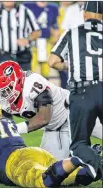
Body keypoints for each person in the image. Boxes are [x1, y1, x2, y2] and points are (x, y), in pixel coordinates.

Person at [0, 98, 96, 187]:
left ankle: (75, 160)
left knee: (42, 181)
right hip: (34, 152)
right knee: (70, 177)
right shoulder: (7, 122)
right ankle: (90, 165)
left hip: (15, 162)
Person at [0, 61, 101, 160]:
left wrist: (12, 129)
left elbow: (44, 118)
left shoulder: (33, 83)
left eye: (7, 90)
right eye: (1, 91)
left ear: (18, 82)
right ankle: (90, 154)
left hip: (76, 111)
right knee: (49, 169)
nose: (4, 95)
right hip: (54, 128)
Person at [48, 1, 103, 180]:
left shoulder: (73, 32)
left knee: (79, 145)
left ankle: (98, 165)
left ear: (85, 14)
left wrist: (68, 66)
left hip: (82, 92)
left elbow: (52, 61)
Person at [0, 1, 41, 70]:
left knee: (24, 80)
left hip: (22, 56)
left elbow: (37, 31)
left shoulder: (25, 11)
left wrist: (28, 39)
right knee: (4, 80)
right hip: (3, 56)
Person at [24, 2, 59, 80]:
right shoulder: (27, 6)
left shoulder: (53, 7)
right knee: (30, 70)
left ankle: (45, 89)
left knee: (46, 70)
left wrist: (55, 41)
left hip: (47, 42)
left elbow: (55, 26)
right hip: (32, 43)